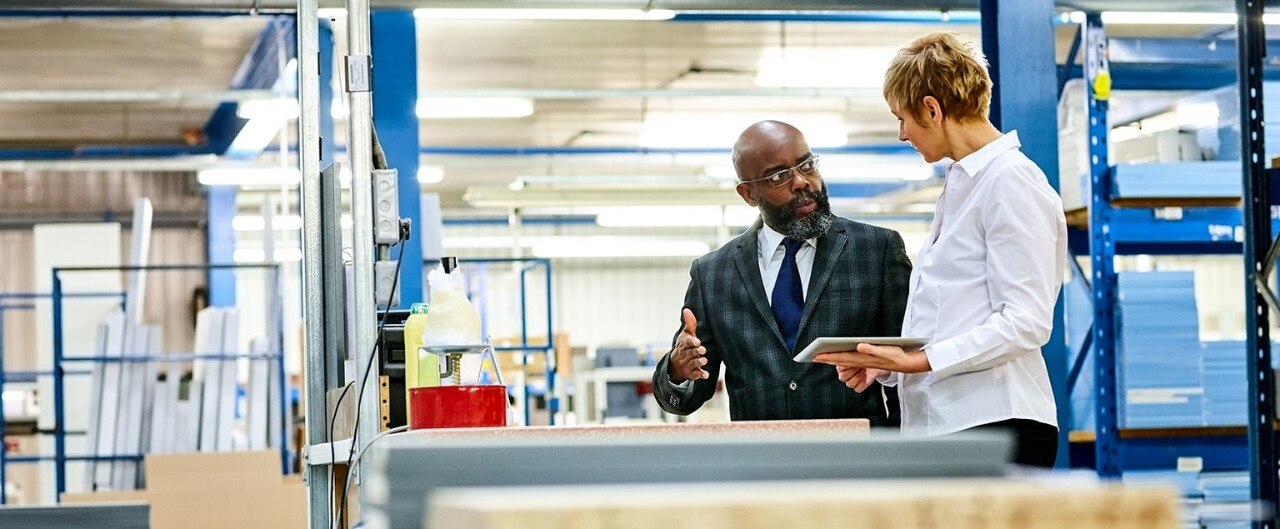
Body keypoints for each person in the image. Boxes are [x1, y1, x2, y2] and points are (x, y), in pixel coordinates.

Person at [813, 32, 1067, 467]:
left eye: (902, 118)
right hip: (952, 425)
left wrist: (921, 360)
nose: (901, 134)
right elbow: (954, 312)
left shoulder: (1011, 181)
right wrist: (889, 366)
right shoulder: (962, 184)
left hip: (997, 423)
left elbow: (1026, 321)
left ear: (932, 109)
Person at [651, 120, 912, 425]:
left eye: (807, 165)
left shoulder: (876, 250)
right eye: (778, 176)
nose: (801, 182)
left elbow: (907, 371)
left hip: (857, 450)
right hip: (760, 452)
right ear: (748, 193)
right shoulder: (713, 274)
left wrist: (903, 447)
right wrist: (677, 369)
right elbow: (685, 397)